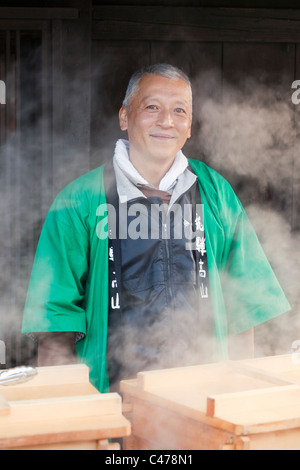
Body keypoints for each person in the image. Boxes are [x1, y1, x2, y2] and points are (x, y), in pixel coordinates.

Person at [22, 64, 291, 393]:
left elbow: (245, 305)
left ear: (189, 125)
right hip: (111, 401)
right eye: (152, 107)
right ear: (124, 117)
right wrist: (71, 416)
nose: (166, 121)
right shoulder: (81, 200)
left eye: (179, 110)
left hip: (203, 402)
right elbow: (55, 320)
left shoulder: (215, 192)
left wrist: (235, 400)